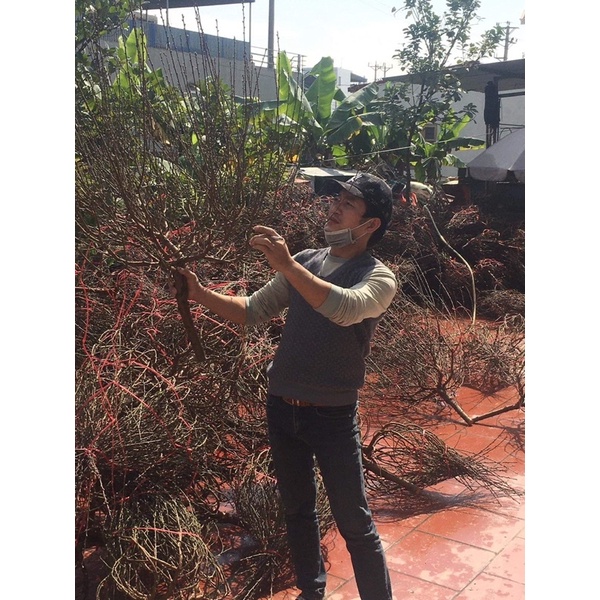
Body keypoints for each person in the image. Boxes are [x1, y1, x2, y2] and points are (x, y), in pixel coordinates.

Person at [175, 172, 397, 600]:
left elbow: (345, 309)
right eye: (336, 198)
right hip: (282, 407)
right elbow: (252, 310)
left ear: (370, 224)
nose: (334, 208)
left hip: (332, 417)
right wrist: (199, 293)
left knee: (355, 523)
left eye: (348, 204)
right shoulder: (308, 260)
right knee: (297, 511)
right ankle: (312, 592)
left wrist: (288, 265)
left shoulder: (378, 277)